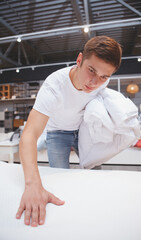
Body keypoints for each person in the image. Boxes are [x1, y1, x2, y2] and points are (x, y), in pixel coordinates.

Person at [16, 36, 122, 227]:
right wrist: (32, 185)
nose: (95, 82)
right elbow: (29, 134)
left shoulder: (102, 81)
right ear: (79, 60)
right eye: (91, 70)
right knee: (61, 177)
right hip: (57, 131)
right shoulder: (53, 87)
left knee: (93, 172)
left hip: (82, 128)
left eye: (104, 77)